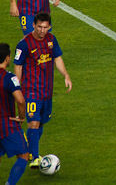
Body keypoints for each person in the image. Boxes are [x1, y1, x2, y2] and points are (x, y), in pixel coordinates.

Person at [13, 12, 72, 168]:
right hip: (31, 91)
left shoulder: (51, 40)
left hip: (47, 91)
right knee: (33, 122)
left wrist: (65, 74)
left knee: (41, 123)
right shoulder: (24, 44)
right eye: (39, 26)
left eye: (45, 27)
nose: (42, 30)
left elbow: (57, 58)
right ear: (34, 25)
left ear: (49, 27)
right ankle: (34, 158)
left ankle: (30, 146)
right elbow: (18, 65)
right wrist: (17, 87)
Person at [0, 43, 29, 184]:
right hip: (6, 124)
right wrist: (21, 117)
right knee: (23, 155)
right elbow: (20, 100)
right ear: (7, 58)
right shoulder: (9, 77)